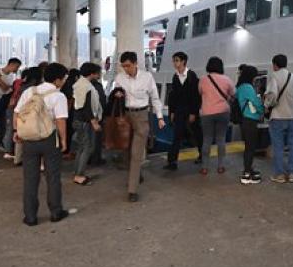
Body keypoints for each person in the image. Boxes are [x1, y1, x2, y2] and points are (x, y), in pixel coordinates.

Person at [14, 62, 72, 226]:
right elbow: (60, 121)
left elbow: (17, 113)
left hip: (29, 139)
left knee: (30, 179)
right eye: (64, 78)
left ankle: (30, 216)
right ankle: (56, 212)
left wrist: (17, 131)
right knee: (53, 176)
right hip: (49, 139)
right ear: (58, 80)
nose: (64, 81)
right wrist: (63, 140)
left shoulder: (30, 92)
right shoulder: (59, 96)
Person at [113, 51, 165, 202]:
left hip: (141, 116)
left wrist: (160, 117)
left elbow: (155, 98)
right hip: (125, 116)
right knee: (126, 151)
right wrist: (116, 94)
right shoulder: (119, 78)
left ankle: (132, 190)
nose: (126, 69)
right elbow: (116, 95)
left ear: (136, 63)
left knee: (136, 153)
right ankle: (137, 174)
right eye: (123, 66)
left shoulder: (147, 77)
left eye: (128, 65)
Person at [264, 54, 293, 183]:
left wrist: (266, 105)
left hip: (278, 117)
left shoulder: (274, 76)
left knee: (278, 146)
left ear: (275, 65)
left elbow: (272, 95)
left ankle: (279, 174)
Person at [165, 51, 203, 170]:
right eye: (174, 60)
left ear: (183, 61)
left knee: (197, 133)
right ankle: (172, 162)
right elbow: (173, 96)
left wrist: (193, 113)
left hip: (190, 109)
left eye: (176, 60)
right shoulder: (175, 77)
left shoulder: (192, 76)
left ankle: (202, 155)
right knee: (177, 135)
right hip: (179, 110)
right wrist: (172, 112)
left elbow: (196, 96)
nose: (174, 63)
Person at [198, 56, 235, 175]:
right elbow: (234, 93)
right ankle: (220, 166)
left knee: (207, 139)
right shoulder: (227, 79)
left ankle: (204, 167)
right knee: (221, 139)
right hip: (223, 112)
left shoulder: (203, 80)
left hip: (207, 113)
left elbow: (200, 92)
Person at [71, 62, 103, 185]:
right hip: (84, 121)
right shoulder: (87, 87)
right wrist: (94, 122)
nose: (99, 75)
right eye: (97, 73)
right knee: (88, 148)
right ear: (92, 73)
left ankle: (77, 172)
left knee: (81, 147)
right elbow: (87, 107)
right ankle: (79, 175)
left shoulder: (79, 84)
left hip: (78, 119)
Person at [236, 64, 264, 184]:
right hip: (250, 119)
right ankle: (246, 174)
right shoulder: (247, 87)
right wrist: (262, 110)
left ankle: (249, 169)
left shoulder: (240, 87)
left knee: (249, 146)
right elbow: (256, 102)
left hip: (245, 119)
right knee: (250, 148)